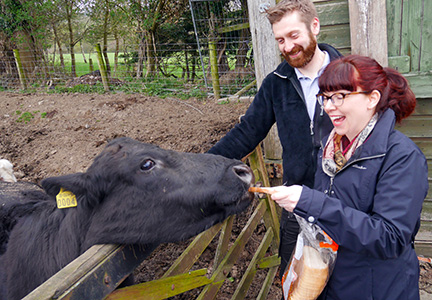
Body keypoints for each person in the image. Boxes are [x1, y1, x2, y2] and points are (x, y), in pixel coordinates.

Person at [270, 54, 429, 300]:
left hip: (377, 289)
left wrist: (312, 203)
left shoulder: (402, 156)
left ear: (372, 99)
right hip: (332, 283)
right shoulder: (329, 147)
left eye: (340, 96)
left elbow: (390, 238)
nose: (329, 106)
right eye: (324, 97)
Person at [208, 0, 342, 277]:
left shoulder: (350, 75)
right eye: (280, 40)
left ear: (314, 27)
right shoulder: (276, 83)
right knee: (294, 281)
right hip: (297, 201)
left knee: (346, 281)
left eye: (294, 36)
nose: (288, 47)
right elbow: (247, 132)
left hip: (345, 200)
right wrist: (203, 165)